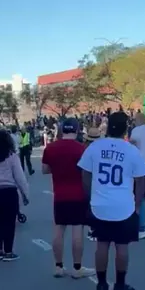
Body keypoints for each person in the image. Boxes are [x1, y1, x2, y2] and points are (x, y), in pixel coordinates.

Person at [78, 111, 145, 290]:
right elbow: (140, 181)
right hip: (124, 206)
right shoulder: (131, 151)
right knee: (122, 246)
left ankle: (101, 284)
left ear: (107, 127)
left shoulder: (94, 147)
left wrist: (90, 195)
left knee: (102, 244)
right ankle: (119, 285)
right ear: (126, 128)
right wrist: (137, 206)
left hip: (99, 204)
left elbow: (85, 175)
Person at [42, 117, 95, 279]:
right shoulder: (81, 149)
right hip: (78, 194)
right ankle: (77, 267)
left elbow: (45, 170)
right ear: (77, 130)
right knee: (77, 230)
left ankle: (58, 266)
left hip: (59, 194)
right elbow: (88, 171)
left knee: (59, 230)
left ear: (61, 130)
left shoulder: (50, 148)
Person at [0, 129, 29, 261]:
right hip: (8, 192)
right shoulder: (12, 156)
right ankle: (8, 252)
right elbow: (19, 177)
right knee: (9, 223)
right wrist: (25, 194)